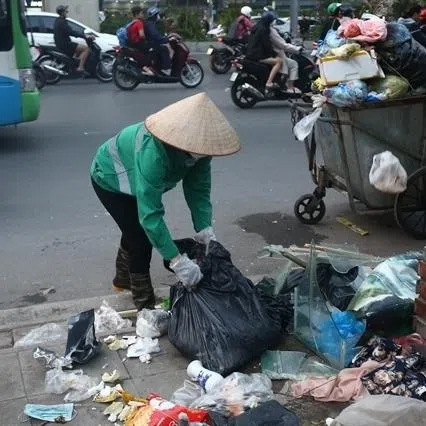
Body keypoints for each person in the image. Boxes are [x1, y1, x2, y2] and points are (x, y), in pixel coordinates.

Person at [90, 93, 240, 311]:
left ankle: (122, 280)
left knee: (132, 229)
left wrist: (204, 230)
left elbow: (198, 192)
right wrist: (177, 261)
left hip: (137, 180)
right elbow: (150, 216)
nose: (204, 155)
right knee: (140, 239)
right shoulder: (153, 153)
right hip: (110, 179)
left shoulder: (200, 151)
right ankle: (145, 306)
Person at [264, 6, 302, 93]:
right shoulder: (270, 31)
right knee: (293, 64)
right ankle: (290, 87)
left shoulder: (264, 28)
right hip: (276, 53)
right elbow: (283, 45)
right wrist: (297, 49)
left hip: (269, 53)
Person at [247, 11, 282, 89]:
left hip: (250, 53)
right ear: (269, 21)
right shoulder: (264, 29)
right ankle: (269, 82)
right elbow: (266, 44)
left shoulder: (256, 27)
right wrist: (273, 53)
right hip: (257, 55)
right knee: (279, 61)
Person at [53, 5, 90, 73]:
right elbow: (71, 32)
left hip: (61, 43)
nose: (67, 12)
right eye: (66, 11)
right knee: (86, 49)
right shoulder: (62, 22)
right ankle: (80, 67)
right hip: (65, 44)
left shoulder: (58, 20)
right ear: (62, 12)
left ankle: (73, 64)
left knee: (77, 48)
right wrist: (84, 36)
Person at [143, 7, 172, 75]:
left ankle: (157, 67)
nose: (158, 16)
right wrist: (165, 39)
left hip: (149, 43)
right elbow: (155, 36)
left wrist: (164, 38)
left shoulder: (150, 23)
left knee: (161, 48)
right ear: (154, 15)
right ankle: (165, 69)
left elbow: (157, 34)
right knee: (164, 49)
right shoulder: (150, 24)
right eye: (157, 14)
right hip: (150, 44)